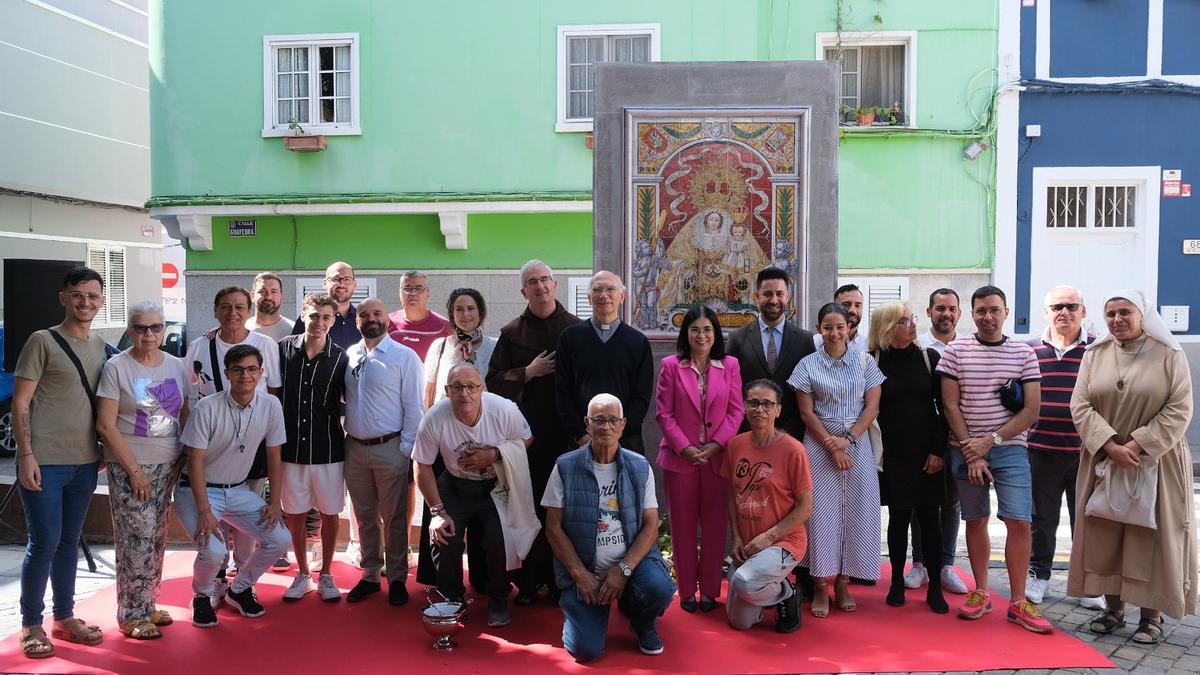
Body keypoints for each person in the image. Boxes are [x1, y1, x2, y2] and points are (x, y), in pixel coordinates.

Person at [1070, 290, 1195, 645]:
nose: (1117, 320)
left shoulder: (1169, 354)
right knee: (1105, 532)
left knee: (1150, 534)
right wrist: (1110, 445)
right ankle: (1113, 609)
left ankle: (1151, 616)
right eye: (1110, 314)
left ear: (1143, 314)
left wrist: (1136, 445)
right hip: (1104, 456)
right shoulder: (1095, 354)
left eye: (1125, 312)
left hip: (1156, 458)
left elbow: (1179, 408)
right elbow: (1080, 405)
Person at [937, 285, 1051, 634]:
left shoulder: (1023, 353)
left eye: (994, 310)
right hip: (965, 450)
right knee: (976, 519)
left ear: (1005, 311)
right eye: (981, 310)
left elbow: (1032, 409)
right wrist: (971, 450)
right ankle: (981, 592)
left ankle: (1018, 602)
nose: (988, 317)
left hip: (1010, 449)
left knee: (1018, 521)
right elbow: (950, 405)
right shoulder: (955, 351)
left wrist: (990, 441)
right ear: (972, 313)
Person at [12, 267, 110, 658]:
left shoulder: (102, 346)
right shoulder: (42, 341)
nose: (85, 302)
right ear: (63, 298)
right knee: (44, 542)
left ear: (101, 301)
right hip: (45, 462)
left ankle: (64, 617)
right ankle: (31, 624)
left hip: (85, 462)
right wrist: (26, 454)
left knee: (69, 541)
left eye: (93, 296)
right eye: (77, 295)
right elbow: (20, 404)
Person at [543, 394, 675, 662]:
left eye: (612, 420)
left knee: (659, 588)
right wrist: (580, 575)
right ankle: (586, 611)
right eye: (598, 420)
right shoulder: (565, 466)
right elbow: (553, 528)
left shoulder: (639, 466)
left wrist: (624, 569)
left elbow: (650, 525)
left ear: (623, 424)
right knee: (585, 652)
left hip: (631, 563)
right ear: (587, 423)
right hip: (586, 568)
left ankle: (641, 621)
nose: (605, 427)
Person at [175, 344, 291, 628]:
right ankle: (202, 596)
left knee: (280, 539)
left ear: (262, 373)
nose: (245, 376)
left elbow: (275, 456)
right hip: (197, 490)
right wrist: (204, 510)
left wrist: (275, 502)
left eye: (252, 369)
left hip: (238, 490)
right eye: (238, 370)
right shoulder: (207, 407)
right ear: (227, 373)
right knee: (214, 551)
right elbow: (195, 462)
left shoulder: (271, 405)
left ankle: (239, 588)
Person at [487, 260, 583, 604]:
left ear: (555, 284)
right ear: (522, 291)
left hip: (566, 438)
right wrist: (527, 372)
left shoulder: (576, 329)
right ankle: (527, 582)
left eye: (544, 280)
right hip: (525, 442)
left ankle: (562, 581)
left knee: (564, 510)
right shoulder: (512, 333)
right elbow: (492, 383)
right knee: (528, 508)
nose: (540, 286)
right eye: (532, 282)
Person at [413, 364, 536, 628]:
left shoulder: (503, 409)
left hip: (494, 486)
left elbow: (526, 439)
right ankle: (452, 597)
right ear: (447, 391)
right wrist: (436, 512)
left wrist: (493, 455)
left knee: (500, 538)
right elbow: (421, 464)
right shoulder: (434, 417)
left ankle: (499, 598)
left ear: (482, 389)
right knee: (445, 536)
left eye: (471, 387)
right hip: (455, 485)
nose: (464, 394)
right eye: (457, 387)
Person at [96, 301, 191, 640]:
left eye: (155, 327)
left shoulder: (178, 366)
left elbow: (183, 414)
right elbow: (106, 426)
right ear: (130, 330)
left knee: (156, 538)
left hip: (168, 464)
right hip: (130, 465)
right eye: (140, 327)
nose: (149, 334)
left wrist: (182, 459)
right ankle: (131, 614)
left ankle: (148, 603)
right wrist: (134, 471)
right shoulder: (116, 367)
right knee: (134, 539)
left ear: (163, 329)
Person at [788, 303, 884, 617]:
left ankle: (843, 582)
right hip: (818, 446)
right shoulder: (806, 365)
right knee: (819, 515)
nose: (834, 333)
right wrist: (832, 445)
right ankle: (819, 585)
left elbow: (872, 408)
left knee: (858, 513)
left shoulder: (865, 361)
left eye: (840, 327)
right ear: (819, 330)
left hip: (857, 445)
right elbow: (806, 412)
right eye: (828, 327)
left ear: (848, 328)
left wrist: (849, 440)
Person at [184, 286, 282, 583]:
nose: (233, 313)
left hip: (250, 443)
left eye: (240, 307)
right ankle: (215, 576)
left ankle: (243, 572)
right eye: (225, 306)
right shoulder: (201, 346)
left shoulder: (265, 345)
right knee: (213, 519)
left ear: (249, 310)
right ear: (215, 310)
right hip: (210, 441)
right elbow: (186, 391)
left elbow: (273, 390)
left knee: (247, 513)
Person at [655, 306, 743, 612]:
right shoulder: (671, 365)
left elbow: (736, 410)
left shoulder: (729, 365)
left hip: (717, 458)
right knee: (682, 526)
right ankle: (687, 592)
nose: (701, 335)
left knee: (716, 526)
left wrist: (718, 444)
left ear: (716, 333)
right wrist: (684, 447)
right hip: (682, 460)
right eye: (695, 330)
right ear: (686, 334)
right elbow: (663, 413)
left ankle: (709, 591)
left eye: (707, 329)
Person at [866, 301, 949, 614]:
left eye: (911, 319)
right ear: (888, 328)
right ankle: (897, 582)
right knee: (899, 519)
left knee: (931, 521)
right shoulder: (872, 360)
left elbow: (945, 410)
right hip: (891, 454)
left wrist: (938, 451)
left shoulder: (929, 357)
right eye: (903, 321)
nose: (912, 325)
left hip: (928, 452)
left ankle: (936, 589)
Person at [1024, 286, 1102, 610]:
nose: (1064, 312)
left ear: (1083, 311)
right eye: (1057, 306)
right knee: (1041, 520)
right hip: (1040, 449)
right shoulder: (1029, 350)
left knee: (1085, 520)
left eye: (1072, 306)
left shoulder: (1099, 351)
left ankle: (1087, 585)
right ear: (1046, 312)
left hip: (1085, 451)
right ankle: (1038, 576)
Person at [343, 298, 424, 606]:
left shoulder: (404, 357)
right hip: (355, 449)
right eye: (364, 314)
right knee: (364, 517)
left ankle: (399, 578)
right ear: (357, 321)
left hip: (390, 447)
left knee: (393, 518)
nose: (371, 318)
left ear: (387, 320)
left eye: (377, 313)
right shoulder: (350, 355)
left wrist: (405, 449)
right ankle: (370, 575)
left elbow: (414, 407)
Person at [723, 379, 812, 633]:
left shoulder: (794, 450)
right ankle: (772, 587)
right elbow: (733, 494)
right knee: (740, 623)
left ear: (778, 410)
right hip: (749, 545)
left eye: (766, 404)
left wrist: (769, 537)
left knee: (744, 582)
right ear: (744, 407)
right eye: (753, 403)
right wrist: (737, 537)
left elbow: (806, 508)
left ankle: (787, 592)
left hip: (784, 542)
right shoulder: (735, 445)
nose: (759, 409)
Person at [277, 294, 348, 603]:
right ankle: (303, 574)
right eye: (314, 315)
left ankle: (327, 574)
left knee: (331, 513)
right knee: (295, 513)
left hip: (329, 450)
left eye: (326, 317)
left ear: (333, 321)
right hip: (290, 449)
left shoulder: (342, 357)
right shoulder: (282, 350)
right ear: (303, 315)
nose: (319, 322)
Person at [906, 288, 968, 595]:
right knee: (921, 501)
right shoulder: (919, 348)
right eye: (940, 308)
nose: (946, 313)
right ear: (929, 312)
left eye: (952, 309)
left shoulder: (969, 347)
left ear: (959, 313)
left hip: (960, 436)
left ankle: (946, 564)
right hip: (925, 436)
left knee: (952, 501)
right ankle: (918, 563)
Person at [555, 271, 654, 455]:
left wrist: (616, 434)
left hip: (626, 443)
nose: (604, 295)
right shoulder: (570, 338)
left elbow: (641, 398)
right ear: (589, 298)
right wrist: (581, 434)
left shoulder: (638, 342)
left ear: (622, 296)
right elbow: (562, 392)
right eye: (597, 289)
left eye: (610, 289)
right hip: (581, 442)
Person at [726, 267, 816, 439]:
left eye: (779, 294)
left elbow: (811, 391)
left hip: (790, 436)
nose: (774, 300)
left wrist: (787, 431)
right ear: (757, 296)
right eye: (767, 294)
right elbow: (731, 392)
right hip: (748, 434)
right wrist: (749, 428)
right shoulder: (737, 338)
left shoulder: (804, 340)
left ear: (787, 297)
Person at [424, 288, 497, 408]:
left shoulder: (495, 347)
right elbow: (429, 391)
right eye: (459, 309)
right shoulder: (439, 347)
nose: (465, 314)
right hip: (445, 420)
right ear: (452, 314)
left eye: (471, 308)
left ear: (480, 312)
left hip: (484, 421)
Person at [290, 261, 362, 349]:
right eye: (336, 279)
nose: (341, 284)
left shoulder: (363, 320)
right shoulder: (310, 319)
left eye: (347, 279)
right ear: (324, 283)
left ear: (354, 285)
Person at [388, 270, 452, 359]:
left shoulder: (444, 327)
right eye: (407, 288)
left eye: (419, 288)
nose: (413, 293)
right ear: (400, 293)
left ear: (428, 293)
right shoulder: (387, 323)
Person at [813, 284, 868, 351]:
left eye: (857, 305)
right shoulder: (814, 344)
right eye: (846, 305)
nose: (852, 310)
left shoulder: (868, 346)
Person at [245, 272, 294, 341]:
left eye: (274, 291)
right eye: (262, 291)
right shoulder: (243, 328)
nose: (268, 297)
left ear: (281, 297)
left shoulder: (293, 330)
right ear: (252, 296)